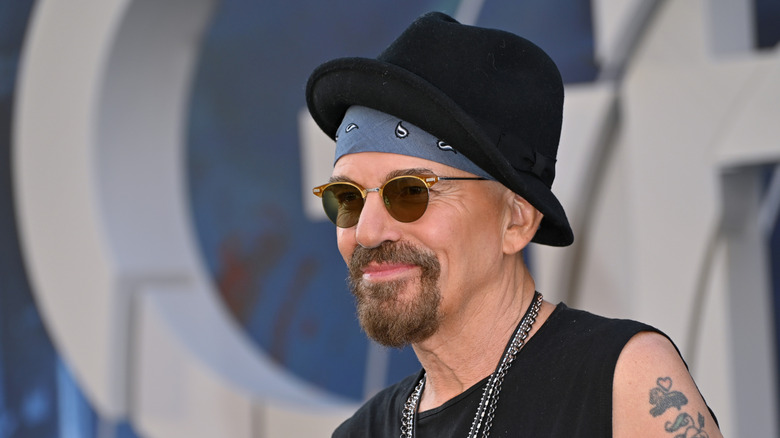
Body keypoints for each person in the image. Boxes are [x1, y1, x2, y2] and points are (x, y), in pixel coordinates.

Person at [305, 11, 721, 438]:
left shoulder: (621, 383)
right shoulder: (360, 433)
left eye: (410, 192)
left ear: (516, 220)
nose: (368, 232)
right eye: (348, 198)